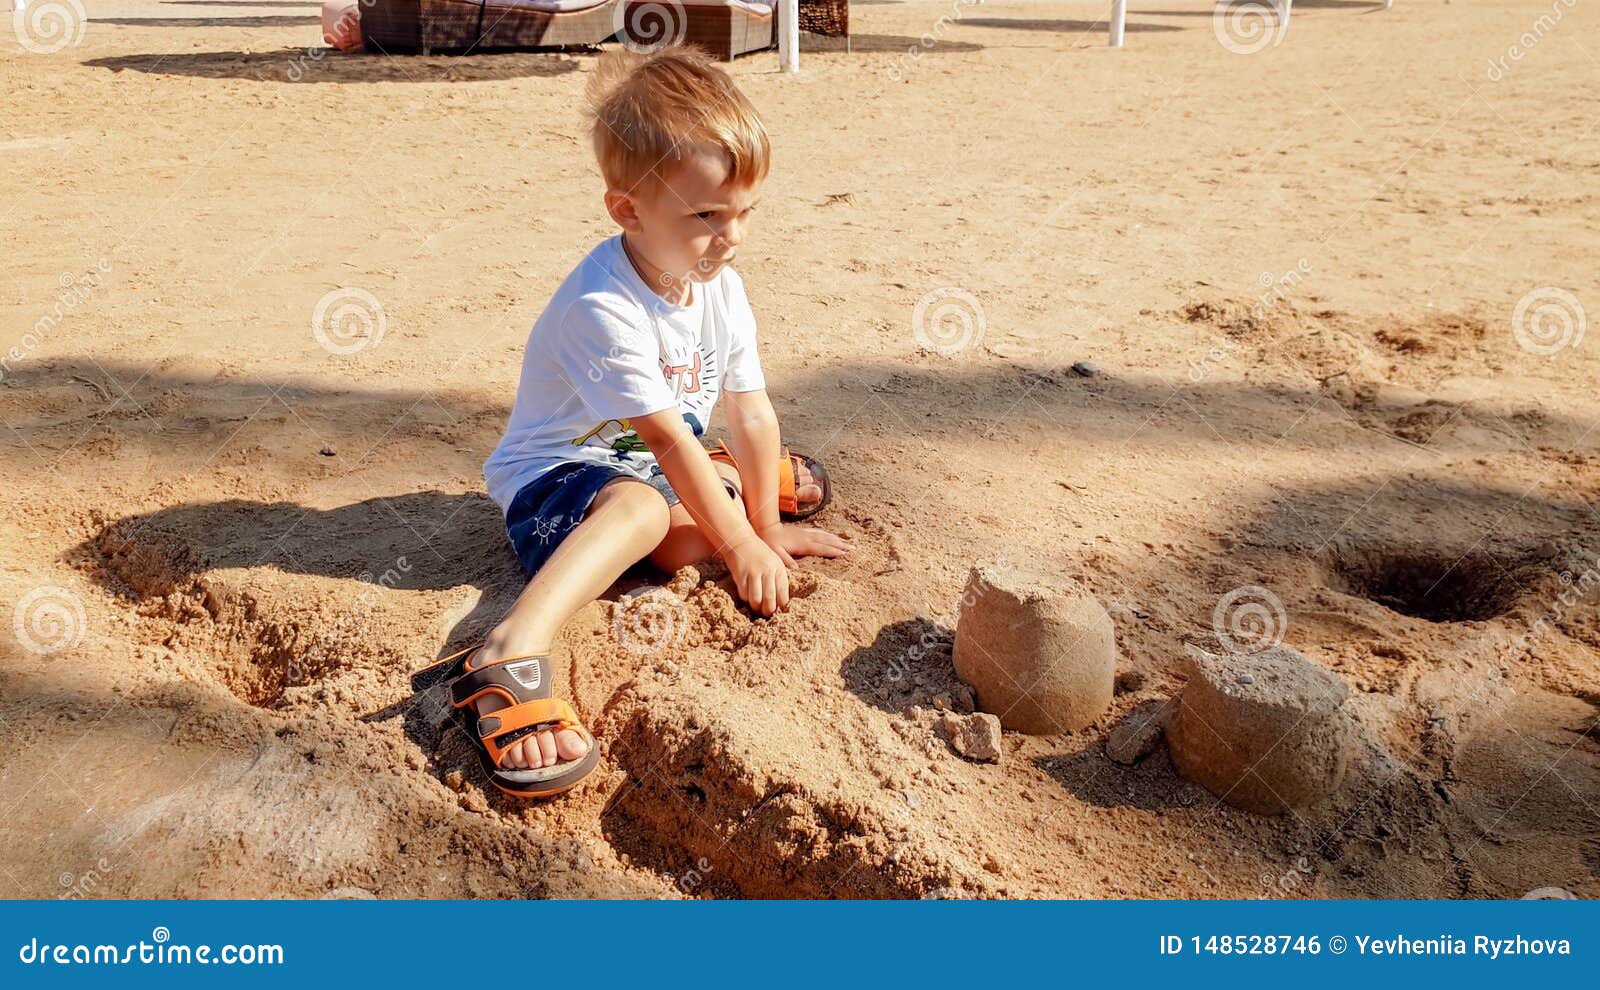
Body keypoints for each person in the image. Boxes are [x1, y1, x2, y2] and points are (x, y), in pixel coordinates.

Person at [433, 45, 851, 799]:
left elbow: (751, 408)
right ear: (629, 210)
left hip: (649, 466)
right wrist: (742, 538)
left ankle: (719, 485)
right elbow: (663, 439)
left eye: (745, 210)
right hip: (554, 481)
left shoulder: (719, 286)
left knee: (695, 529)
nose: (733, 235)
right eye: (707, 215)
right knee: (651, 507)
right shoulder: (603, 308)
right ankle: (507, 646)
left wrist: (759, 528)